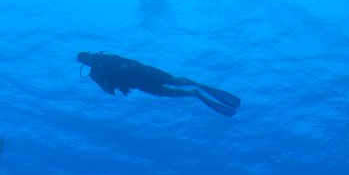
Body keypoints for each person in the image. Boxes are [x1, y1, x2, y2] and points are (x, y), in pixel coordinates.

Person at [77, 51, 240, 117]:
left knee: (173, 82)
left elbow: (127, 63)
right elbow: (109, 89)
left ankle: (197, 88)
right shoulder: (95, 74)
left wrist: (120, 84)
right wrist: (119, 87)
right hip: (140, 80)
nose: (89, 60)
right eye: (86, 59)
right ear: (84, 63)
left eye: (87, 57)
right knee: (168, 90)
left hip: (143, 74)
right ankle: (195, 92)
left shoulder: (103, 59)